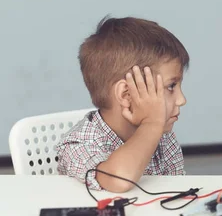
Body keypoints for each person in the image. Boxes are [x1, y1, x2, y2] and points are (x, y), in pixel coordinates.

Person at [56, 16, 189, 193]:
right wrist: (151, 124)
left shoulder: (163, 136)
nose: (182, 99)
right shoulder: (77, 145)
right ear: (126, 95)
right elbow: (118, 179)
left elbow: (176, 192)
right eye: (171, 86)